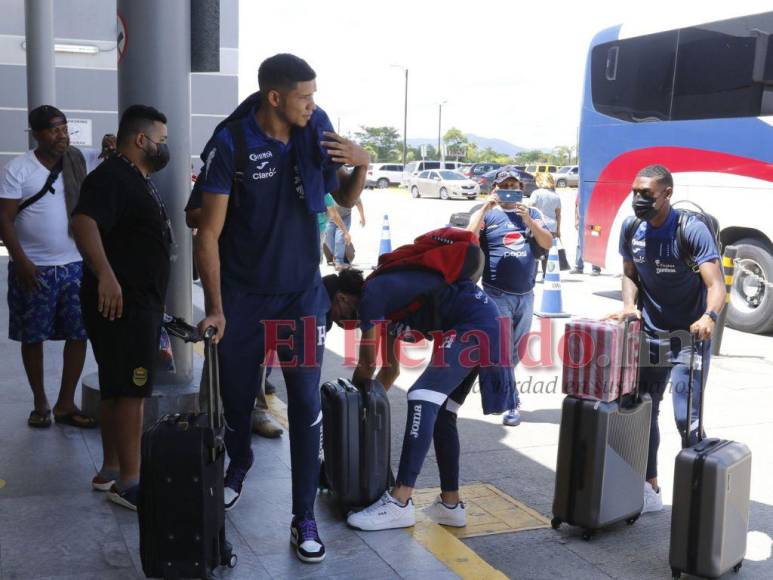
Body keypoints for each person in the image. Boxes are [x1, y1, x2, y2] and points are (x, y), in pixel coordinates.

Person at [195, 53, 368, 563]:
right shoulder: (232, 143)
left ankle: (303, 518)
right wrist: (216, 308)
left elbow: (342, 195)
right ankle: (240, 464)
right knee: (239, 397)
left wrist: (361, 163)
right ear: (275, 97)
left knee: (306, 405)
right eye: (304, 96)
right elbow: (207, 232)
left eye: (315, 95)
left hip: (301, 296)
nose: (313, 105)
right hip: (245, 295)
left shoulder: (319, 129)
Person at [325, 260, 514, 532]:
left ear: (342, 298)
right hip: (479, 323)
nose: (341, 324)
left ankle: (400, 502)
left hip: (473, 324)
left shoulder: (372, 296)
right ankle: (450, 505)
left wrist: (352, 404)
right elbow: (389, 371)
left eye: (337, 315)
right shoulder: (387, 308)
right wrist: (366, 410)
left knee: (423, 396)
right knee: (443, 412)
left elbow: (366, 366)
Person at [607, 164, 725, 514]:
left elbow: (716, 285)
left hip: (689, 338)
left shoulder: (691, 230)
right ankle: (649, 484)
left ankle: (698, 497)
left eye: (647, 194)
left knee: (684, 421)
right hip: (650, 336)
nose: (638, 200)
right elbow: (629, 274)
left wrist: (709, 316)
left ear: (667, 194)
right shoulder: (631, 227)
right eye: (635, 192)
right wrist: (629, 306)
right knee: (645, 410)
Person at [71, 104, 172, 511]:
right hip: (124, 302)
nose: (165, 147)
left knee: (116, 385)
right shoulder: (112, 175)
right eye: (161, 140)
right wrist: (107, 275)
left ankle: (110, 469)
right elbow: (82, 222)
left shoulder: (135, 177)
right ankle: (131, 481)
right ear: (141, 139)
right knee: (133, 388)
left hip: (134, 302)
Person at [0, 105, 112, 430]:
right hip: (33, 269)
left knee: (79, 333)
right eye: (53, 130)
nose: (61, 135)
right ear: (36, 134)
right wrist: (20, 261)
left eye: (64, 128)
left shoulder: (77, 159)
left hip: (75, 266)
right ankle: (40, 403)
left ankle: (65, 403)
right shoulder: (18, 169)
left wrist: (109, 142)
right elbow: (4, 220)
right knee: (32, 337)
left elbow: (106, 153)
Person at [466, 169, 553, 427]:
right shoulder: (487, 213)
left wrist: (530, 222)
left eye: (514, 185)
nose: (510, 189)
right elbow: (468, 239)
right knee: (503, 352)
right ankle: (511, 403)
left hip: (526, 295)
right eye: (504, 185)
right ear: (495, 188)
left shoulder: (532, 214)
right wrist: (483, 209)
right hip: (496, 294)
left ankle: (497, 388)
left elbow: (547, 243)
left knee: (517, 352)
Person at [529, 172, 562, 278]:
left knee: (535, 251)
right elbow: (558, 215)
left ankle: (532, 275)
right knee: (547, 252)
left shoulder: (536, 193)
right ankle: (546, 275)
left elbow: (530, 208)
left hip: (538, 226)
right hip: (552, 227)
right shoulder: (556, 196)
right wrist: (558, 230)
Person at [324, 197, 364, 269]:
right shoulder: (331, 189)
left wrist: (362, 217)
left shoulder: (348, 189)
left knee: (340, 238)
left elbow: (358, 202)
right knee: (328, 237)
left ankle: (339, 261)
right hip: (330, 217)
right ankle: (336, 257)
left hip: (345, 217)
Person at [571, 190, 601, 275]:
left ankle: (596, 268)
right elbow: (576, 206)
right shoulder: (581, 190)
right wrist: (576, 220)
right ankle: (578, 267)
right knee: (580, 243)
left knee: (595, 244)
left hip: (596, 221)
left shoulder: (596, 189)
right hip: (583, 221)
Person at [318, 192, 350, 264]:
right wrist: (345, 232)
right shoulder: (324, 194)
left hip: (304, 229)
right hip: (318, 229)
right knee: (315, 258)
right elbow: (334, 215)